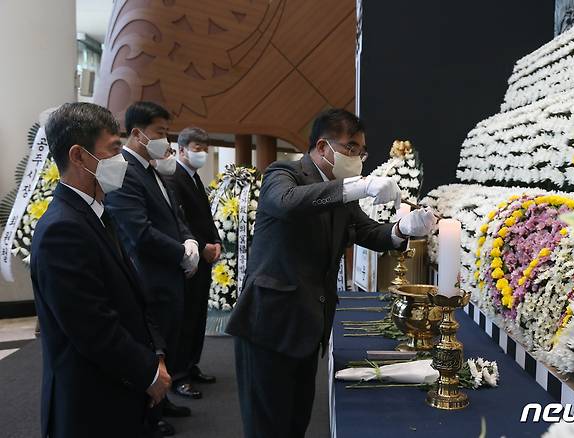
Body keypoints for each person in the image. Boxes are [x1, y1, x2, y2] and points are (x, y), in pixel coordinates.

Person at [226, 108, 438, 438]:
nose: (358, 157)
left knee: (296, 421)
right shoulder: (285, 173)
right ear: (323, 147)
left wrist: (403, 228)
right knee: (267, 426)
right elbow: (287, 202)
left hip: (310, 324)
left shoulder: (341, 191)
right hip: (269, 325)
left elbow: (369, 233)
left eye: (361, 151)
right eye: (351, 147)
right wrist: (359, 186)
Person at [30, 102, 171, 438]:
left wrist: (156, 356)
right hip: (90, 404)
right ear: (79, 156)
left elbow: (130, 296)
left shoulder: (95, 211)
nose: (121, 160)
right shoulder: (61, 229)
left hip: (117, 390)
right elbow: (92, 328)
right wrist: (148, 373)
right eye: (114, 149)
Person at [104, 101, 200, 437]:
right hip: (149, 278)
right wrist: (180, 253)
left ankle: (163, 401)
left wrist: (189, 243)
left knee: (169, 343)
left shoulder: (154, 169)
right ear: (136, 133)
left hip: (169, 275)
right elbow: (138, 232)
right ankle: (147, 416)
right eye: (160, 132)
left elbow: (176, 218)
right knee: (150, 351)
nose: (165, 139)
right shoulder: (120, 171)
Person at [163, 127, 221, 399]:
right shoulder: (174, 177)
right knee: (184, 320)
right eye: (197, 147)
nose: (202, 153)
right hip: (189, 259)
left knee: (198, 316)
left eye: (204, 148)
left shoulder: (195, 178)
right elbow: (180, 223)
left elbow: (204, 218)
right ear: (182, 149)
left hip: (204, 256)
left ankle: (191, 364)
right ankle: (179, 375)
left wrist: (216, 241)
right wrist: (202, 246)